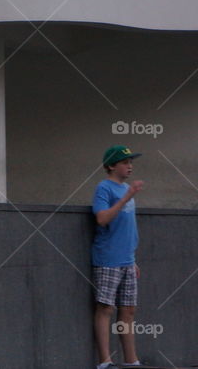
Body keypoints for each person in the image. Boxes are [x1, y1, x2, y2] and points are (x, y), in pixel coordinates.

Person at [92, 145, 144, 369]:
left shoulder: (126, 190)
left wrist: (132, 259)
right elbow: (102, 218)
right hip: (108, 258)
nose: (130, 166)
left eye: (131, 162)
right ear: (112, 165)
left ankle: (131, 360)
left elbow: (128, 229)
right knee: (106, 308)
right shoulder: (104, 188)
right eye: (125, 162)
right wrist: (126, 198)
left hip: (126, 259)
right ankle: (105, 361)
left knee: (129, 310)